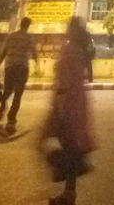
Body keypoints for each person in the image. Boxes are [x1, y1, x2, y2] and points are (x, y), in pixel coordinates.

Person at [41, 17, 96, 205]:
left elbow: (63, 82)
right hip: (78, 101)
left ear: (71, 30)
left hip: (66, 103)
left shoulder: (69, 49)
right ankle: (69, 191)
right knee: (71, 148)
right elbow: (87, 75)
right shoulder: (81, 50)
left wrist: (61, 109)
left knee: (45, 142)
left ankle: (63, 173)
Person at [0, 16, 37, 134]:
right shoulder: (29, 38)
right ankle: (11, 119)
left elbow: (4, 51)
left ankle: (3, 107)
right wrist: (37, 63)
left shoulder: (11, 36)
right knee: (18, 95)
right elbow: (34, 53)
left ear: (20, 24)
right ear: (28, 26)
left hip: (10, 67)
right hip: (22, 68)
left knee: (7, 91)